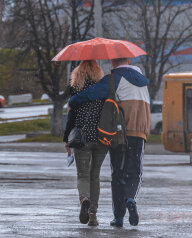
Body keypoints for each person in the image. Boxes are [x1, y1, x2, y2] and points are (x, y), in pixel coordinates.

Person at [68, 58, 150, 227]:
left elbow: (91, 93)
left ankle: (118, 217)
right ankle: (131, 199)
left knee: (117, 173)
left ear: (113, 62)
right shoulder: (142, 80)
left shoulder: (114, 79)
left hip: (119, 131)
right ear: (129, 60)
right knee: (135, 170)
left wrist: (72, 101)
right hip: (140, 131)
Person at [63, 60, 108, 226]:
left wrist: (66, 139)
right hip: (102, 138)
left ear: (78, 72)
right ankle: (93, 215)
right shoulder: (104, 89)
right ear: (98, 72)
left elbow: (71, 118)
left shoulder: (76, 90)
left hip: (81, 137)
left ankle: (84, 199)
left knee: (83, 174)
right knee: (95, 175)